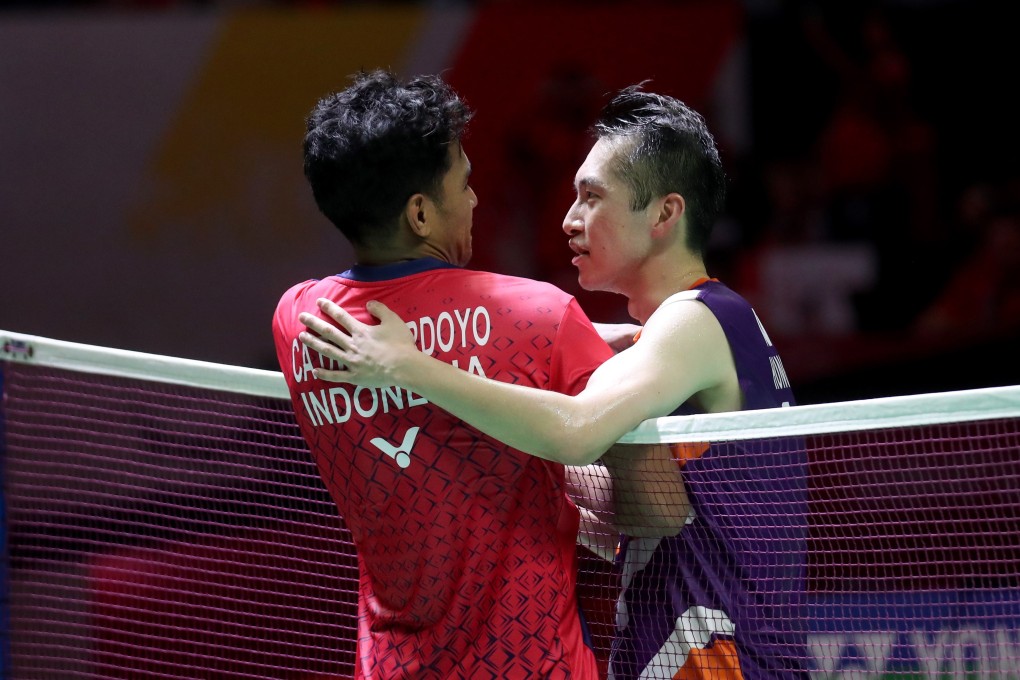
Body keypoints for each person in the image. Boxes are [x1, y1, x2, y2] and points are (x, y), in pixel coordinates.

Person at [299, 84, 810, 678]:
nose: (569, 220)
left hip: (730, 665)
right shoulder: (680, 338)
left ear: (666, 214)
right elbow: (651, 518)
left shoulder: (695, 321)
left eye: (592, 199)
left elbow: (576, 432)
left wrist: (409, 366)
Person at [271, 69, 614, 679]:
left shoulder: (299, 322)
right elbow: (642, 507)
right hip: (537, 666)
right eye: (465, 182)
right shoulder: (543, 314)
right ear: (421, 214)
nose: (476, 199)